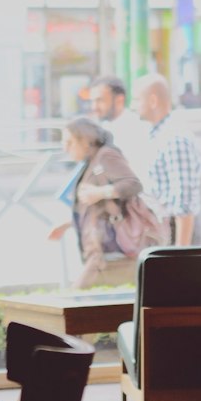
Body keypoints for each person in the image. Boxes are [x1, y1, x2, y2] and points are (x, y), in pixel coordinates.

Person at [47, 117, 167, 286]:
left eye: (69, 142)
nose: (65, 147)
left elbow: (132, 184)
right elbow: (97, 208)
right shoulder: (92, 161)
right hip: (103, 251)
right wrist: (68, 223)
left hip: (110, 250)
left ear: (85, 140)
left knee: (80, 299)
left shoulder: (105, 155)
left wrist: (100, 192)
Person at [132, 74, 201, 246]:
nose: (133, 106)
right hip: (162, 231)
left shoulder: (174, 137)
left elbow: (184, 202)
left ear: (153, 101)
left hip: (174, 234)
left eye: (137, 100)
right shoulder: (157, 134)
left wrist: (179, 253)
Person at [89, 74, 150, 179]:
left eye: (100, 100)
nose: (94, 107)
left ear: (119, 100)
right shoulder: (103, 126)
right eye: (92, 101)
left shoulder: (135, 129)